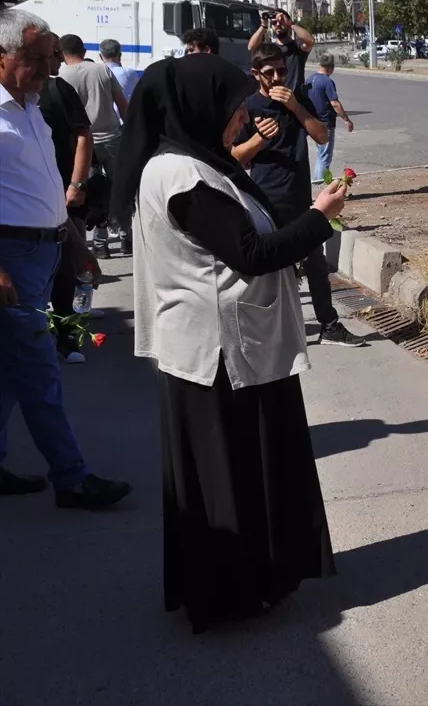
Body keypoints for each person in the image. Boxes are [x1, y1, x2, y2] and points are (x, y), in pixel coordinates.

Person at [111, 53, 344, 633]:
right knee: (230, 473)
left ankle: (255, 580)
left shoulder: (194, 163)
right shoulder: (182, 176)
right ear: (199, 107)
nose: (242, 117)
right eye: (232, 106)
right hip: (219, 353)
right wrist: (320, 218)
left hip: (229, 346)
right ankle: (231, 591)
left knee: (245, 470)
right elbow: (251, 253)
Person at [0, 9, 132, 508]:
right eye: (35, 58)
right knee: (38, 370)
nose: (47, 66)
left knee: (10, 373)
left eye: (51, 56)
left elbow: (46, 187)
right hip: (10, 256)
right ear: (1, 57)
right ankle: (72, 478)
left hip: (44, 249)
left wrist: (75, 243)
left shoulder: (31, 105)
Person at [232, 42, 365, 348]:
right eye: (270, 73)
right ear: (256, 74)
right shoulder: (249, 107)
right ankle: (270, 330)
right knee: (274, 269)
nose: (277, 77)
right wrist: (258, 138)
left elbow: (321, 136)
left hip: (300, 197)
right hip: (266, 201)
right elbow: (234, 157)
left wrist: (295, 106)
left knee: (316, 263)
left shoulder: (297, 98)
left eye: (282, 70)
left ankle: (329, 325)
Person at [39, 32, 96, 363]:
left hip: (63, 196)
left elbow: (82, 136)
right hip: (26, 204)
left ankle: (70, 336)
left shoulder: (58, 89)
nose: (59, 59)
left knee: (70, 270)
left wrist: (76, 183)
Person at [58, 33, 129, 258]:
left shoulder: (61, 75)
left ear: (61, 53)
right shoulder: (102, 70)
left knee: (89, 195)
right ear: (84, 51)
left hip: (81, 143)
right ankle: (127, 238)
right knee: (120, 190)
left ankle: (100, 244)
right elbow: (121, 104)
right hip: (111, 138)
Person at [304, 52, 354, 184]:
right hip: (325, 123)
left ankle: (316, 182)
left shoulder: (310, 79)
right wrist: (346, 119)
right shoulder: (327, 82)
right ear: (331, 67)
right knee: (324, 157)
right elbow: (335, 103)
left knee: (320, 155)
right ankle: (319, 185)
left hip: (312, 122)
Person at [247, 9, 313, 92]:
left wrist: (290, 24)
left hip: (295, 97)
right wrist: (264, 25)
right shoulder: (270, 48)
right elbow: (251, 47)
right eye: (274, 23)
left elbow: (310, 41)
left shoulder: (297, 46)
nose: (278, 24)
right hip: (274, 96)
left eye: (281, 22)